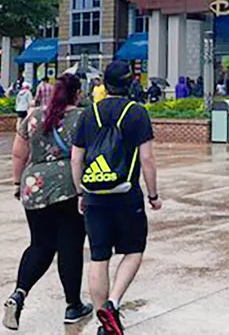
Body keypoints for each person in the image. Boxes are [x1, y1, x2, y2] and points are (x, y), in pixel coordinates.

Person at [71, 60, 162, 335]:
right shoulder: (137, 113)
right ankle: (113, 303)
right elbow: (147, 159)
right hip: (126, 194)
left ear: (105, 84)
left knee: (99, 257)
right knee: (134, 250)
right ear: (130, 83)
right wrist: (154, 195)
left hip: (95, 196)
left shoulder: (88, 113)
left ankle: (103, 324)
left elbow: (76, 159)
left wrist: (80, 192)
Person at [3, 74, 93, 330]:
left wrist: (16, 183)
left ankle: (18, 294)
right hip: (69, 186)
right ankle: (73, 305)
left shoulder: (33, 116)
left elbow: (19, 153)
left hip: (34, 185)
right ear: (78, 94)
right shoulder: (83, 117)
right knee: (70, 246)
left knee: (40, 245)